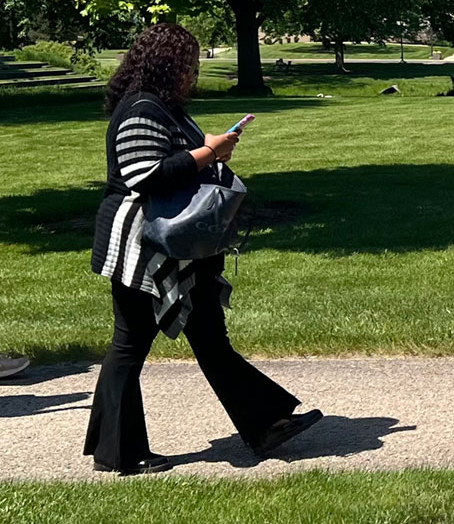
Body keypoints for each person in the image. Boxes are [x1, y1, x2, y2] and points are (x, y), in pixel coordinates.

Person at [86, 23, 321, 474]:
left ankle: (266, 423)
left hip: (182, 250)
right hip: (145, 251)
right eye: (187, 66)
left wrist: (212, 149)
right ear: (164, 65)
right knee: (130, 345)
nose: (192, 74)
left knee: (211, 337)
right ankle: (118, 452)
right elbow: (143, 175)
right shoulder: (141, 110)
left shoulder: (166, 109)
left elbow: (178, 161)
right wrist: (207, 153)